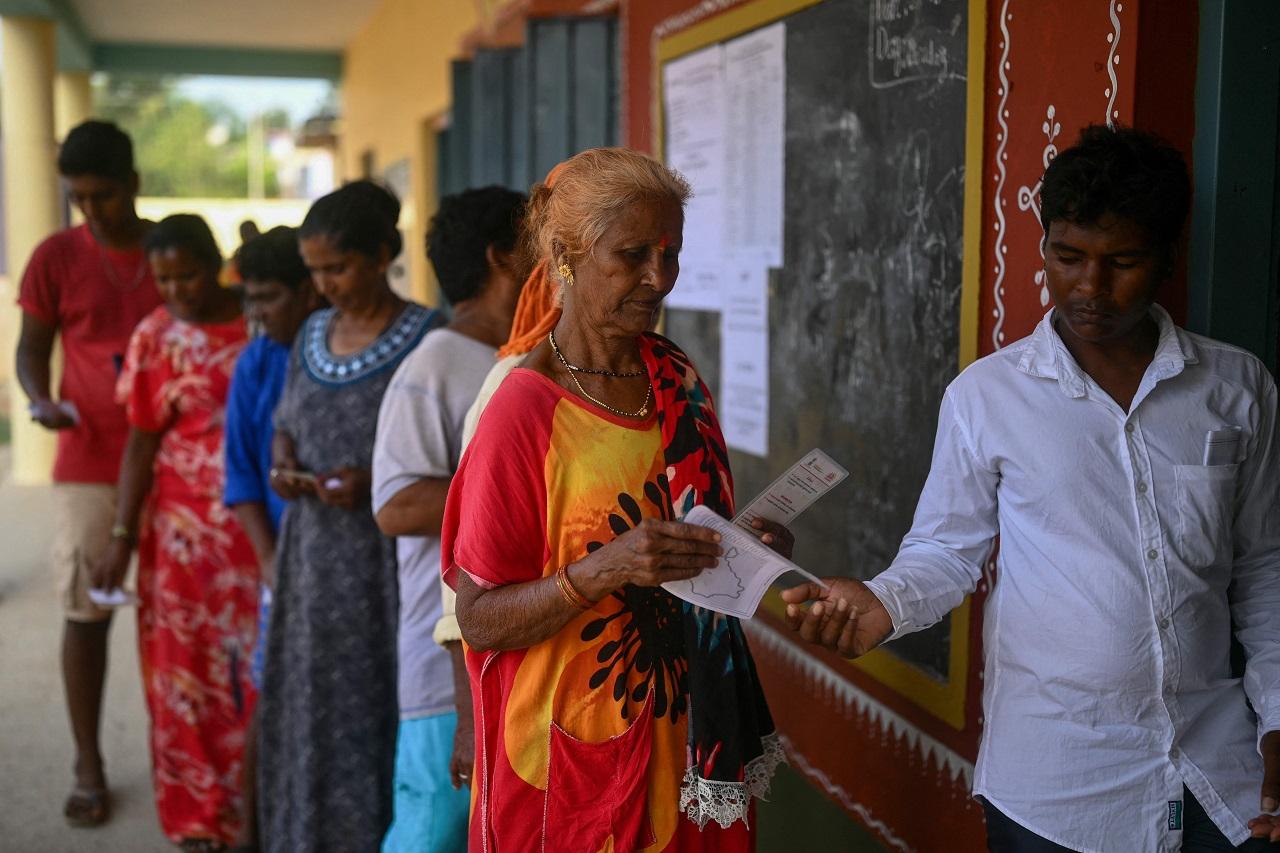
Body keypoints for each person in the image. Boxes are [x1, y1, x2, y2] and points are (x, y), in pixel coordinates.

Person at [782, 125, 1280, 852]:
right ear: (1043, 247)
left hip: (1219, 776)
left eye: (1123, 262)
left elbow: (1264, 568)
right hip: (1057, 789)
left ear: (1167, 257)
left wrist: (1276, 721)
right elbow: (946, 550)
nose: (1090, 288)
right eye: (1067, 257)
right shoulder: (987, 397)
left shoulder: (1237, 389)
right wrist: (884, 601)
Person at [441, 147, 789, 852]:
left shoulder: (677, 377)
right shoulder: (525, 410)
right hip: (565, 759)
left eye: (671, 254)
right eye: (632, 255)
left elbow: (697, 541)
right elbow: (477, 616)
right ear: (567, 255)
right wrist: (604, 568)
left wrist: (746, 547)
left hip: (685, 736)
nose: (658, 279)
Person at [258, 181, 441, 853]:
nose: (324, 284)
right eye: (314, 271)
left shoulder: (429, 337)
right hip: (311, 564)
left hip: (384, 570)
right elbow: (286, 420)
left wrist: (373, 483)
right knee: (311, 710)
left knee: (379, 709)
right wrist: (284, 458)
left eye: (337, 268)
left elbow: (452, 462)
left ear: (383, 253)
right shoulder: (310, 333)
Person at [91, 214, 259, 852]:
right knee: (185, 676)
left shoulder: (263, 318)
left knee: (253, 671)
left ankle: (255, 809)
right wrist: (121, 533)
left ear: (214, 262)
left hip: (258, 533)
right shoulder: (156, 337)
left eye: (186, 274)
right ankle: (198, 817)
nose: (176, 290)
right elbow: (140, 440)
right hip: (183, 540)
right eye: (163, 280)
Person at [14, 119, 163, 827]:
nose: (91, 211)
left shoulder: (170, 251)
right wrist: (38, 398)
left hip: (173, 458)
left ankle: (189, 760)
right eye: (78, 198)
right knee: (87, 605)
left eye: (103, 195)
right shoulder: (53, 256)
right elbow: (30, 346)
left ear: (133, 183)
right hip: (88, 459)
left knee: (178, 615)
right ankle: (88, 761)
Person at [372, 186, 528, 852]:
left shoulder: (525, 359)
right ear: (502, 258)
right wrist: (517, 489)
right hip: (444, 666)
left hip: (515, 640)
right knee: (433, 828)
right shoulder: (435, 363)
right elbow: (395, 505)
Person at [222, 226, 321, 853]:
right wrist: (268, 562)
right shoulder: (256, 362)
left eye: (268, 298)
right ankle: (250, 836)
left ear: (310, 291)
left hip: (351, 564)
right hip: (282, 564)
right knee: (270, 698)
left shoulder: (337, 349)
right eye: (249, 300)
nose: (256, 313)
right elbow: (241, 476)